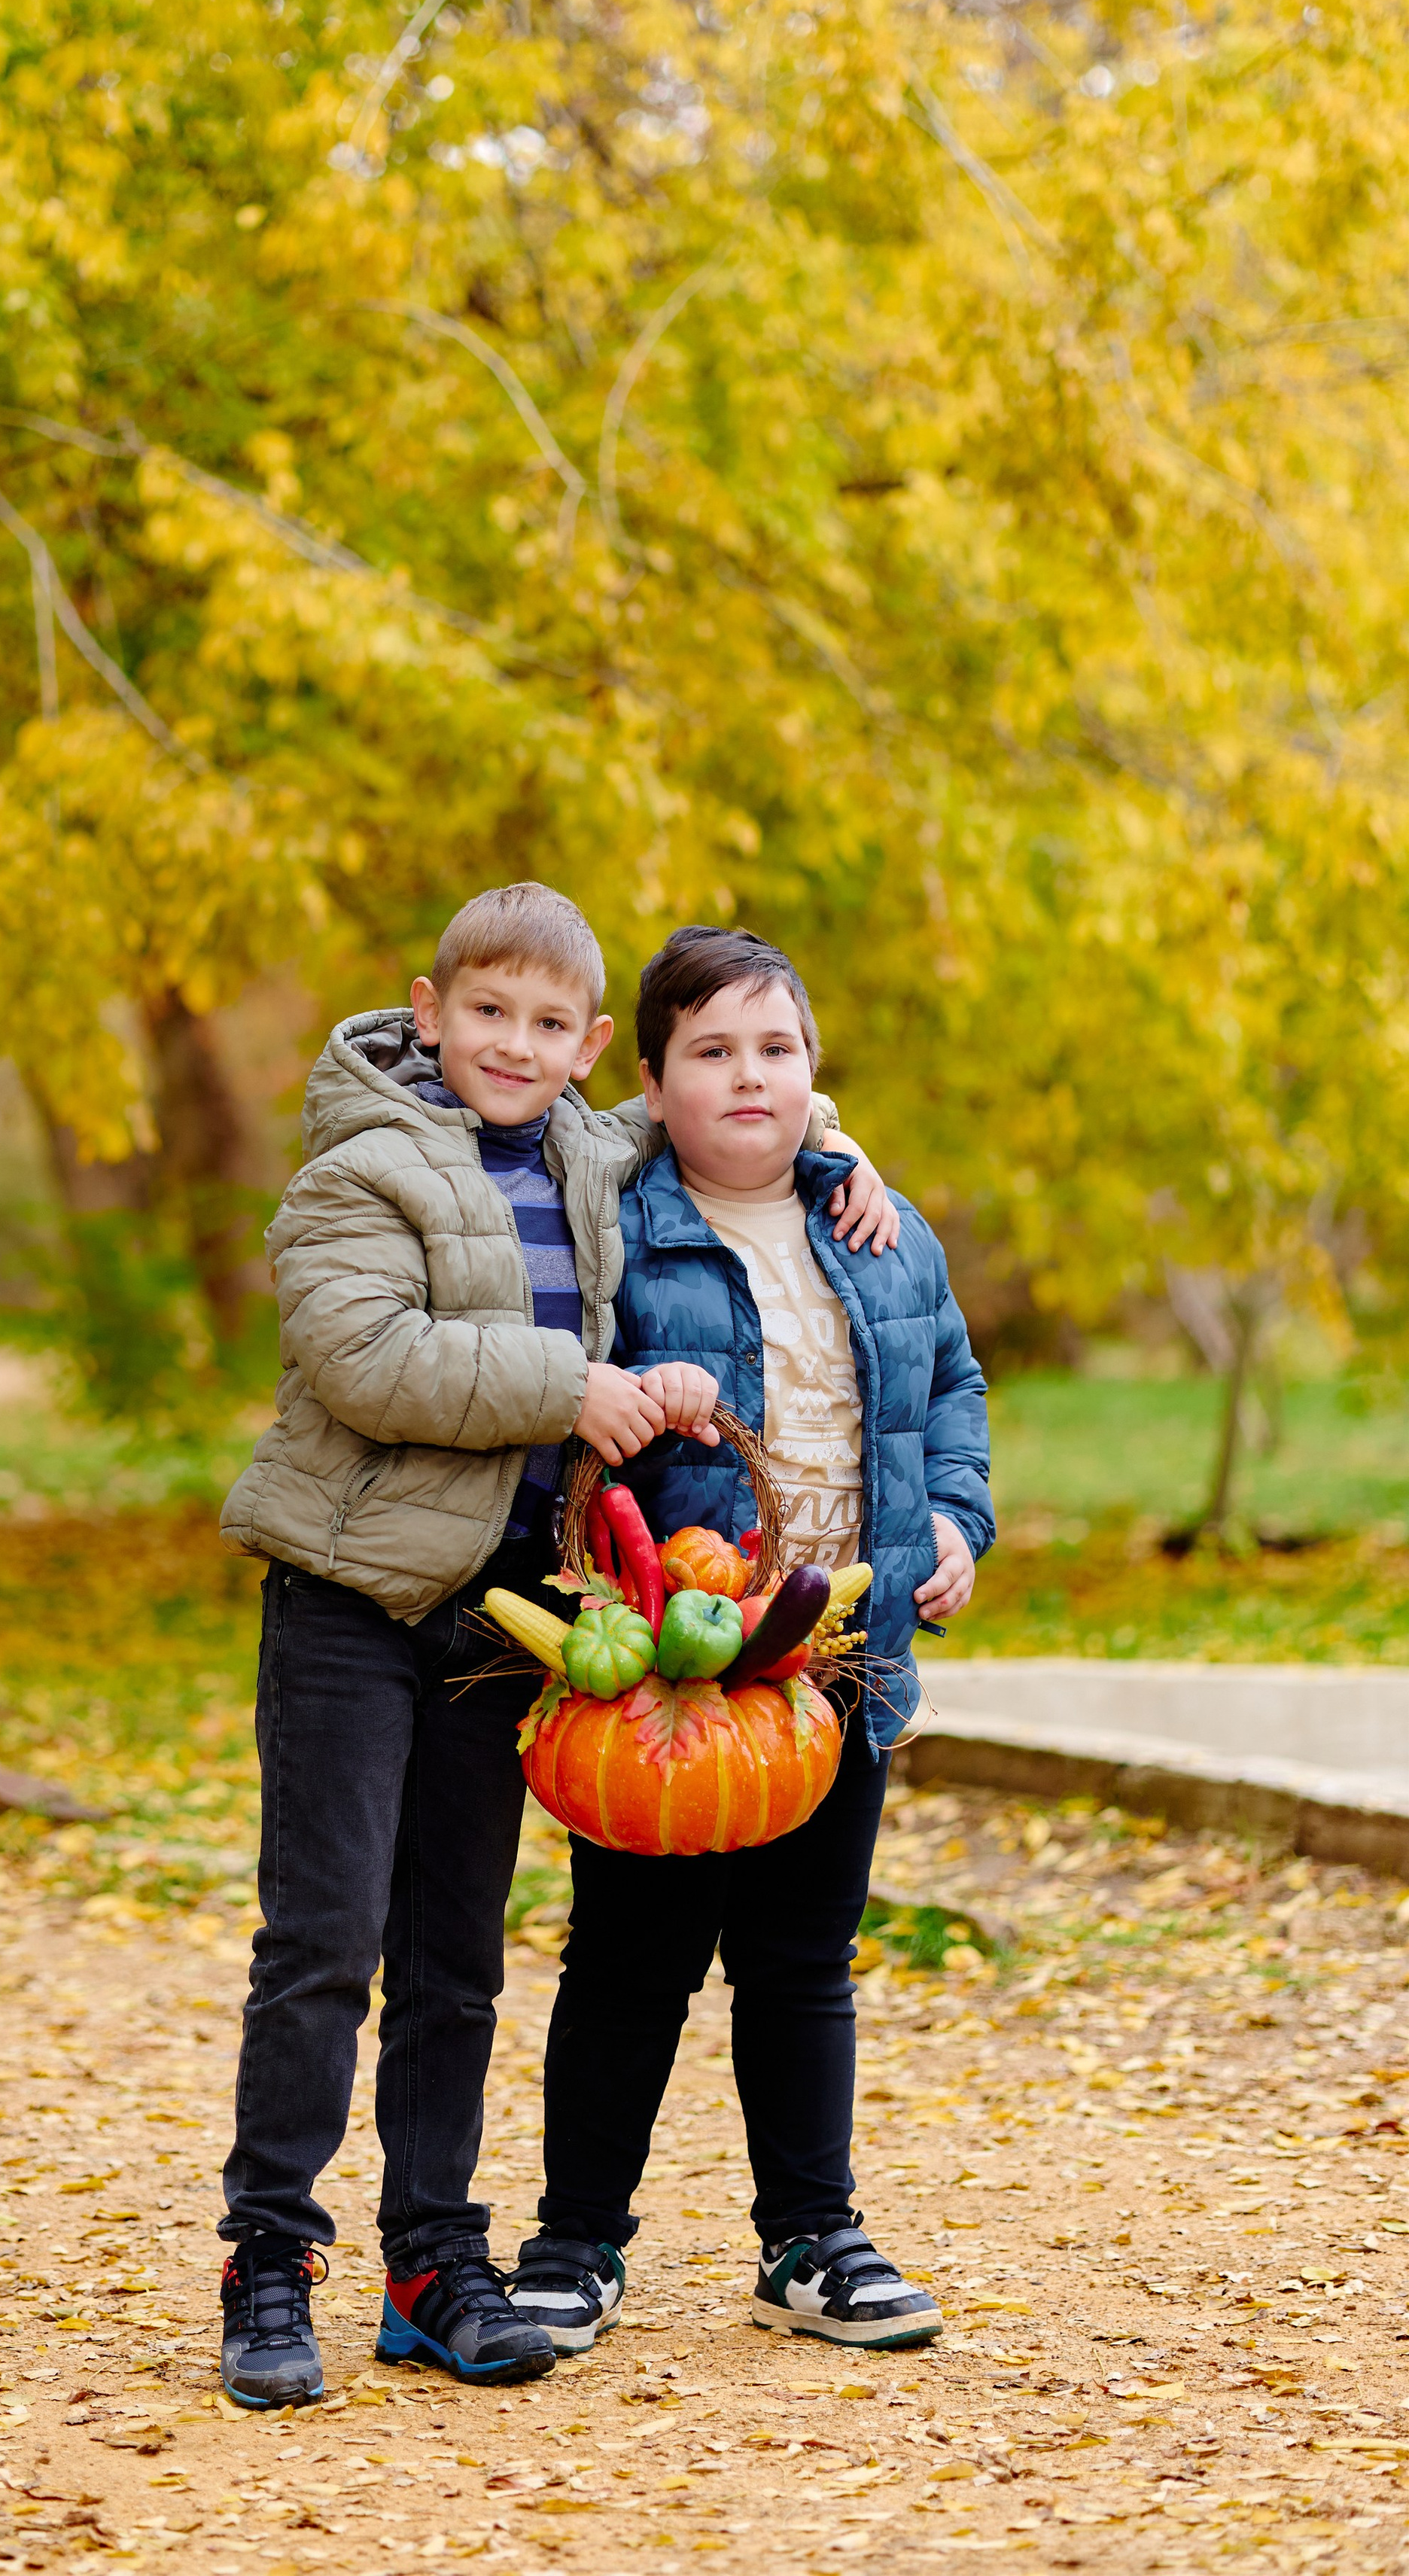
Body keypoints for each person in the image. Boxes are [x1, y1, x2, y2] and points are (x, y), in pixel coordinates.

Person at [214, 885, 894, 2408]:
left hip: (499, 1615)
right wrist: (571, 1388)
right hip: (349, 1600)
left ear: (586, 1047)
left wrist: (839, 1149)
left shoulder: (587, 1153)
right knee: (322, 1944)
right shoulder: (354, 1167)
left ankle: (431, 2263)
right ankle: (268, 2260)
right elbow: (365, 1356)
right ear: (428, 1012)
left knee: (453, 1956)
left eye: (545, 1025)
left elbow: (727, 1104)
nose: (513, 1047)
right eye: (485, 1014)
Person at [509, 925, 993, 2358]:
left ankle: (811, 2239)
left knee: (803, 1959)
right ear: (652, 1083)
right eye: (711, 1052)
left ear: (813, 1073)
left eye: (777, 1051)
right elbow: (565, 1412)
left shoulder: (883, 1233)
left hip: (839, 1660)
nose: (748, 1078)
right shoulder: (617, 1232)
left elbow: (951, 1385)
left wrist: (957, 1517)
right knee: (631, 1961)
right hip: (677, 1668)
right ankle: (575, 2241)